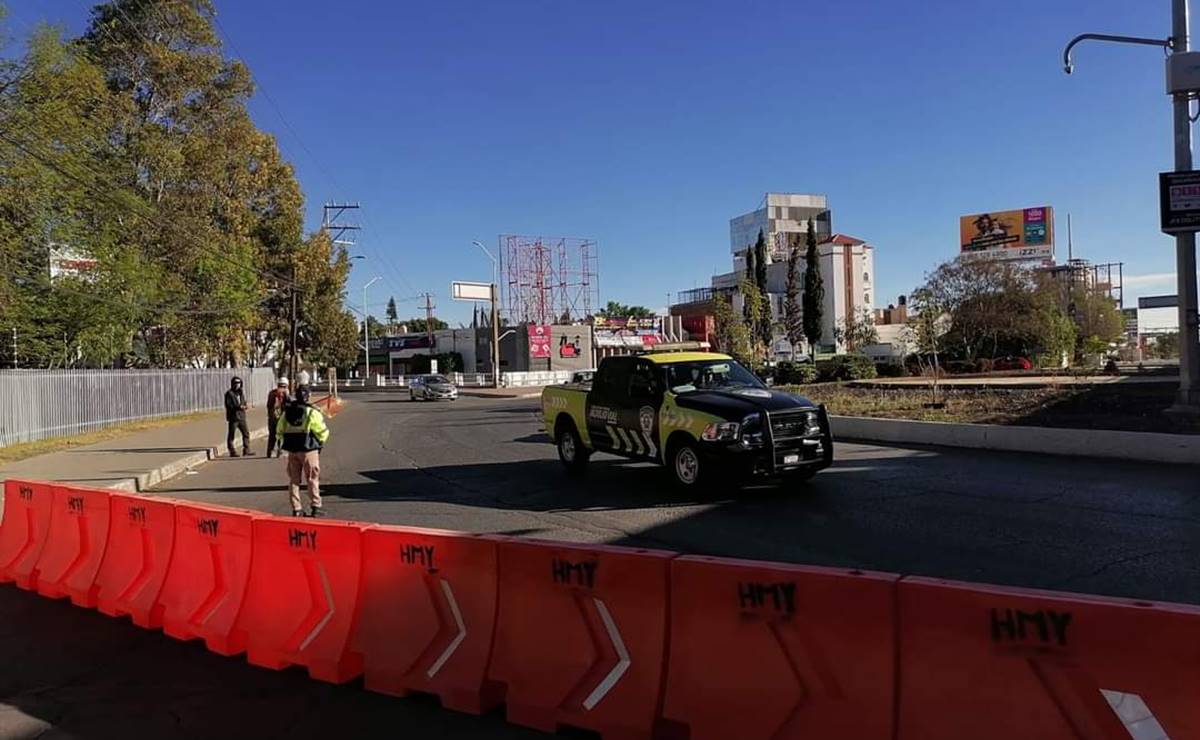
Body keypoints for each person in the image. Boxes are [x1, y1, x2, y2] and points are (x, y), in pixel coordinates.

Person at [276, 384, 329, 517]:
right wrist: (320, 443)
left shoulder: (287, 412)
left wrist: (283, 444)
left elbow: (279, 430)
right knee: (312, 478)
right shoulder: (311, 412)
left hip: (292, 450)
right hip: (308, 449)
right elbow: (322, 432)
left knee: (294, 480)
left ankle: (296, 509)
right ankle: (316, 506)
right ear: (308, 396)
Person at [224, 376, 254, 457]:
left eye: (239, 383)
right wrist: (238, 407)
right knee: (231, 435)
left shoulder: (241, 392)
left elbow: (243, 401)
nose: (237, 384)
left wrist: (245, 405)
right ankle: (232, 451)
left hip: (242, 417)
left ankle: (246, 450)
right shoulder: (229, 393)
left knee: (246, 433)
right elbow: (228, 405)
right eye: (235, 383)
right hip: (233, 418)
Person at [265, 377, 291, 458]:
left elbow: (268, 405)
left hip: (272, 418)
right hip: (281, 418)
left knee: (272, 435)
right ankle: (280, 451)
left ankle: (270, 452)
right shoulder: (285, 394)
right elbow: (288, 405)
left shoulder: (271, 393)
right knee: (281, 435)